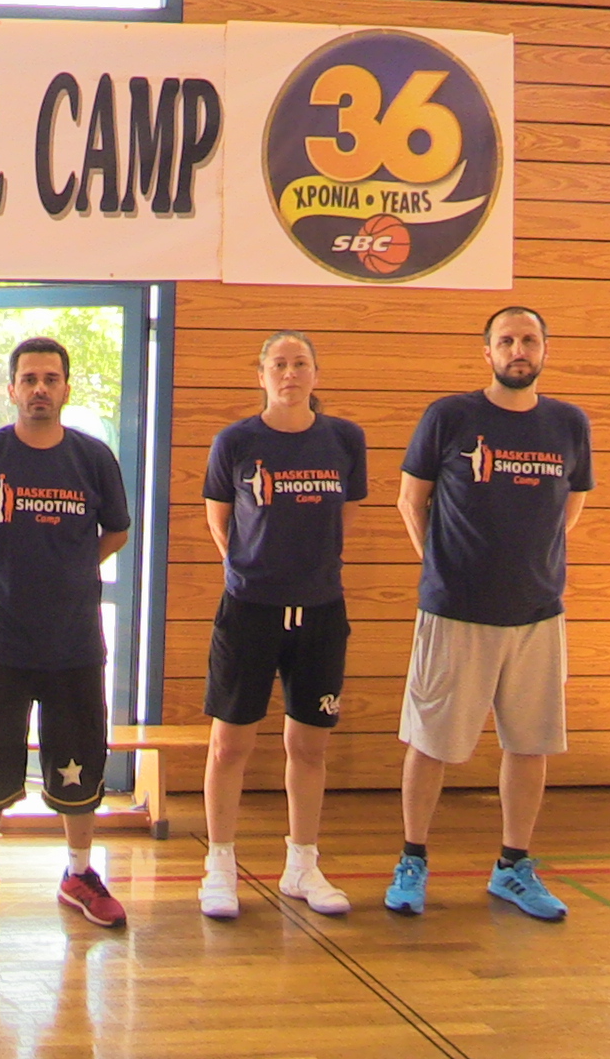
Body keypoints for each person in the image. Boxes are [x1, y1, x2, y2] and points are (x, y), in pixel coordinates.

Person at [388, 306, 592, 921]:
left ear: (545, 349)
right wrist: (443, 568)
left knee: (530, 745)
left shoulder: (568, 423)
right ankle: (412, 860)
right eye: (506, 341)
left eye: (529, 339)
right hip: (455, 610)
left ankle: (512, 867)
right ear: (488, 353)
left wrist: (534, 564)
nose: (518, 350)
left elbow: (571, 505)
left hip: (537, 613)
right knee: (431, 742)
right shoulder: (450, 416)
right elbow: (410, 500)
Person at [0, 337, 132, 930]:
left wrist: (71, 570)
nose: (40, 388)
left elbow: (117, 532)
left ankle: (79, 872)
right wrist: (0, 572)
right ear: (12, 389)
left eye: (51, 378)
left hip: (74, 644)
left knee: (80, 761)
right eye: (29, 379)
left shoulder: (93, 458)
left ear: (66, 388)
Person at [197, 331, 367, 919]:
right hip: (249, 611)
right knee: (229, 744)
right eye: (278, 364)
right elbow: (220, 521)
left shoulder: (344, 439)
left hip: (321, 610)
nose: (289, 373)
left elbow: (343, 518)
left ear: (316, 373)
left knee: (309, 745)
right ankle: (220, 866)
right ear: (262, 374)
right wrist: (253, 571)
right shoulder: (236, 441)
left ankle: (302, 865)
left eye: (300, 363)